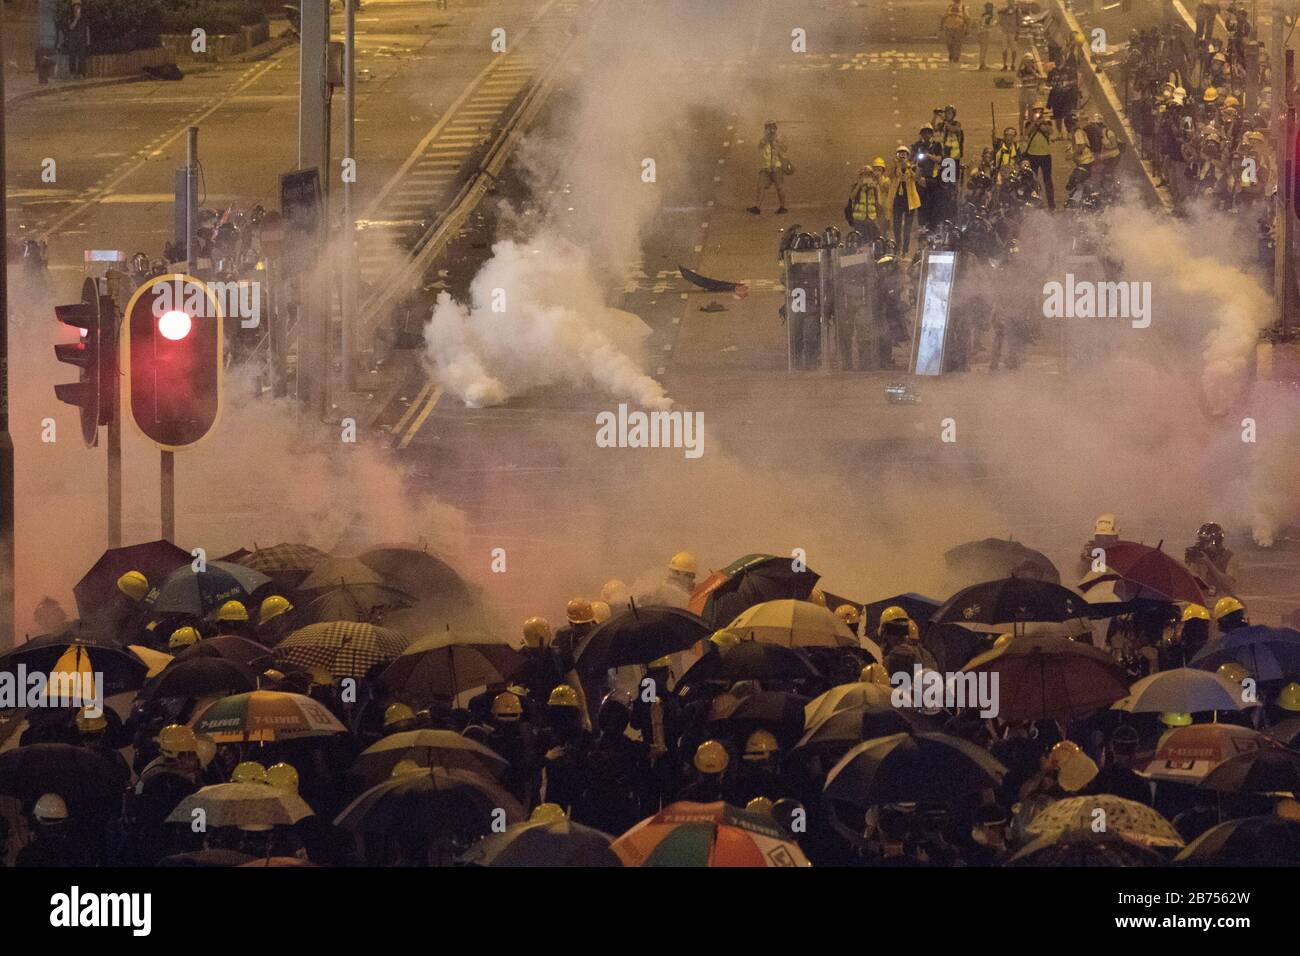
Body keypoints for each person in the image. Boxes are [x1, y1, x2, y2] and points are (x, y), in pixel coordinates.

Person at [1185, 522, 1239, 596]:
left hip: (1223, 602)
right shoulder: (1200, 556)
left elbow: (1228, 585)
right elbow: (1192, 584)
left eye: (1205, 542)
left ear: (1217, 542)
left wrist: (1209, 563)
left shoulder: (1230, 557)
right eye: (1201, 541)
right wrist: (1191, 563)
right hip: (1204, 600)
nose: (1202, 545)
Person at [886, 145, 921, 254]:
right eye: (900, 154)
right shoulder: (894, 167)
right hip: (897, 200)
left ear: (908, 155)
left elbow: (917, 178)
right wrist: (896, 166)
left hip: (909, 201)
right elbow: (890, 176)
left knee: (907, 227)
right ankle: (897, 247)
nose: (902, 156)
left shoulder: (913, 166)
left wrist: (909, 167)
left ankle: (905, 250)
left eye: (904, 154)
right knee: (896, 226)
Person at [749, 121, 788, 215]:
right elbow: (760, 146)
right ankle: (757, 207)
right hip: (765, 167)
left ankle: (782, 207)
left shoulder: (780, 138)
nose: (770, 131)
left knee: (779, 188)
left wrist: (776, 143)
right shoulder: (764, 138)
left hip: (777, 167)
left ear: (775, 129)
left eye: (772, 128)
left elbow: (784, 149)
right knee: (760, 187)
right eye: (768, 128)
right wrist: (765, 139)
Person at [1022, 105, 1056, 209]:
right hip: (1033, 155)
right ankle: (1035, 202)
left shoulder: (1047, 122)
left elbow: (1050, 131)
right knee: (1033, 180)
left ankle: (1051, 204)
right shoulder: (1028, 123)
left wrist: (1042, 122)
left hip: (1045, 155)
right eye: (1036, 111)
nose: (1038, 113)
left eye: (1040, 111)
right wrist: (1034, 123)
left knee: (1047, 180)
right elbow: (1026, 133)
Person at [846, 162, 887, 242]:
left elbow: (880, 202)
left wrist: (877, 187)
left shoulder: (874, 187)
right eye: (864, 175)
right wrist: (859, 185)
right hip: (859, 218)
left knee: (876, 238)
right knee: (861, 240)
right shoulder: (856, 186)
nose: (866, 177)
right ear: (860, 176)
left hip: (871, 217)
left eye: (868, 175)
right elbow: (852, 197)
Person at [59, 2, 90, 80]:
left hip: (82, 40)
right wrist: (76, 19)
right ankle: (72, 73)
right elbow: (70, 27)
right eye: (75, 7)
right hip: (73, 40)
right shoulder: (70, 17)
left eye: (78, 7)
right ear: (73, 8)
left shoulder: (84, 17)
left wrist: (88, 41)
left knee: (82, 57)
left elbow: (87, 29)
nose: (77, 9)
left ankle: (81, 73)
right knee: (72, 57)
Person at [997, 0, 1020, 71]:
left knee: (1014, 49)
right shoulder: (1004, 10)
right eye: (1009, 1)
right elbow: (999, 16)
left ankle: (1013, 64)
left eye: (1011, 1)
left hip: (1013, 32)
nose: (1010, 3)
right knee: (1004, 49)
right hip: (1005, 32)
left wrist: (1018, 33)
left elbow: (1019, 22)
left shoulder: (1017, 10)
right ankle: (1005, 64)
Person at [976, 2, 996, 70]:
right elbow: (984, 25)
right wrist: (994, 24)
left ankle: (983, 64)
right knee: (984, 50)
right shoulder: (988, 16)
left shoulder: (983, 15)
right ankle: (982, 65)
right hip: (985, 33)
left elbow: (980, 24)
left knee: (983, 49)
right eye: (989, 7)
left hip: (981, 33)